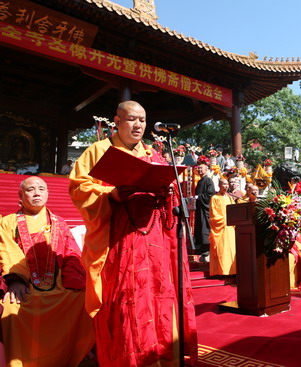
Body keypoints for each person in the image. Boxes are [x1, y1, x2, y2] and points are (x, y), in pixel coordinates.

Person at [69, 101, 197, 366]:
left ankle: (162, 357)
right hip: (118, 242)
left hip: (155, 241)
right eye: (131, 119)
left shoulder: (153, 154)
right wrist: (111, 194)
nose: (138, 125)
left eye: (142, 120)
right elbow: (79, 189)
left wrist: (167, 191)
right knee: (127, 303)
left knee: (158, 297)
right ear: (117, 121)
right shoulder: (98, 151)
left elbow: (168, 188)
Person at [0, 176, 94, 366]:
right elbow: (7, 250)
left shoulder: (59, 223)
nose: (37, 193)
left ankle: (70, 357)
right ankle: (20, 361)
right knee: (10, 308)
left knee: (84, 302)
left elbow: (72, 253)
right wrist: (16, 279)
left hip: (58, 283)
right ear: (20, 195)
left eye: (41, 189)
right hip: (24, 284)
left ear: (48, 194)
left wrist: (76, 280)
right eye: (30, 189)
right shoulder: (7, 222)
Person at [209, 179, 236, 276]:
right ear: (219, 185)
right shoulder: (214, 198)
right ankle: (220, 271)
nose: (226, 186)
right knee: (222, 249)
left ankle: (232, 271)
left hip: (230, 227)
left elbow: (234, 211)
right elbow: (213, 215)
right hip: (221, 227)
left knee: (232, 249)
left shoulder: (230, 198)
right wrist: (225, 219)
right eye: (224, 184)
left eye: (227, 184)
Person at [194, 156, 216, 261]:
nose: (198, 169)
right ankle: (201, 247)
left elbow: (210, 194)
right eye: (198, 168)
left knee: (205, 227)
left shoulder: (208, 181)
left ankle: (206, 248)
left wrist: (199, 197)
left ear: (206, 169)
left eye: (201, 168)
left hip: (205, 208)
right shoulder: (199, 181)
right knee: (199, 226)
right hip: (199, 208)